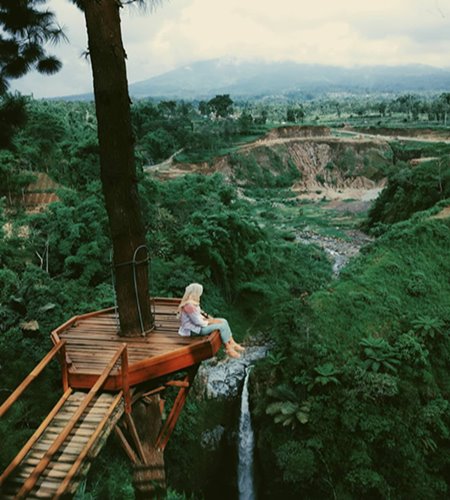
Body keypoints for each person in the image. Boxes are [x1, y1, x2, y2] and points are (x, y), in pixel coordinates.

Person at [178, 283, 245, 359]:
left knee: (224, 321)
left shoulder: (193, 303)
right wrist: (211, 322)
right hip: (193, 330)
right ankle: (228, 348)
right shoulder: (189, 306)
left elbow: (198, 316)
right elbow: (198, 322)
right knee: (221, 326)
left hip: (198, 326)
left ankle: (232, 342)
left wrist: (211, 320)